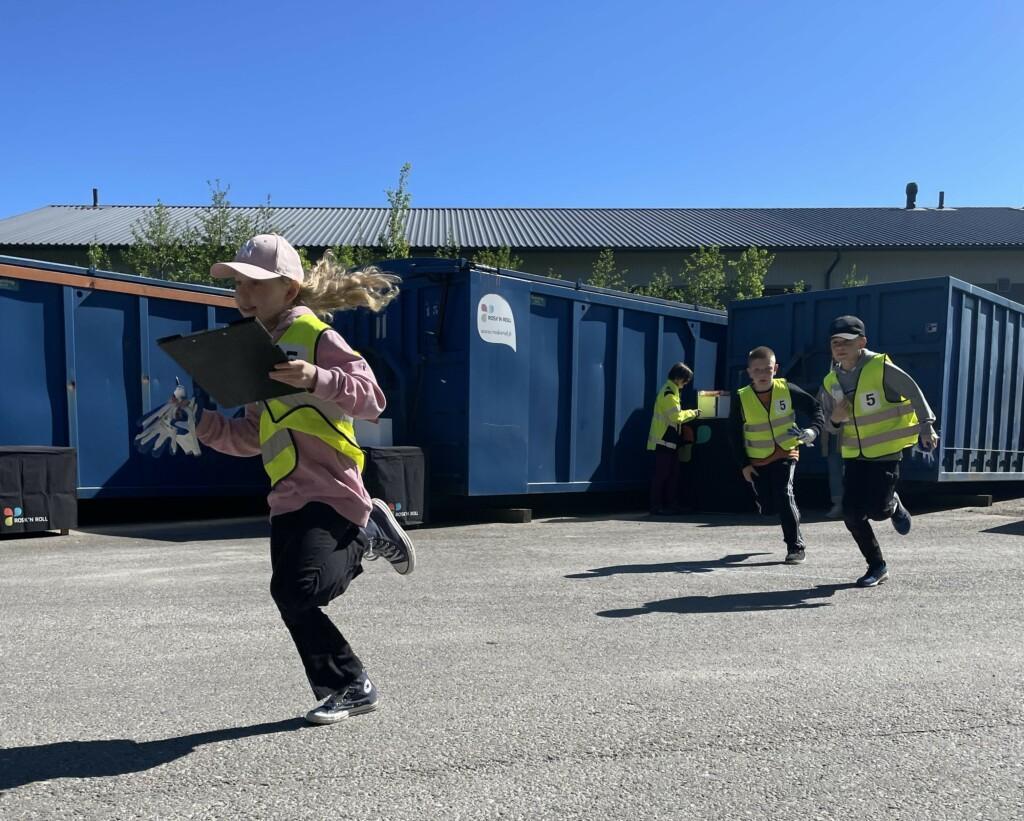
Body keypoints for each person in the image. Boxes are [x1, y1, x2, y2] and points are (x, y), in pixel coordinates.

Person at [136, 234, 416, 725]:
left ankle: (364, 537)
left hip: (332, 491)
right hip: (286, 496)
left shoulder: (316, 338)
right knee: (289, 596)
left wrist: (316, 378)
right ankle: (350, 684)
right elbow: (249, 436)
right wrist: (200, 422)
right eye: (237, 284)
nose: (243, 294)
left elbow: (372, 400)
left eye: (255, 284)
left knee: (300, 589)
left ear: (289, 289)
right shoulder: (253, 350)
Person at [817, 315, 938, 588]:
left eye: (846, 341)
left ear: (862, 342)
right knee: (850, 514)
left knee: (879, 510)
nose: (840, 347)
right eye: (835, 342)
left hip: (885, 454)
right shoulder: (829, 381)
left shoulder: (880, 367)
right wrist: (835, 418)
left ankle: (893, 504)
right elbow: (830, 426)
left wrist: (926, 426)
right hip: (855, 457)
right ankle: (877, 565)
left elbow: (914, 392)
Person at [729, 346, 824, 564]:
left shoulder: (787, 389)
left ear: (776, 369)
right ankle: (767, 504)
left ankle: (795, 547)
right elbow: (733, 433)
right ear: (749, 372)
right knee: (768, 507)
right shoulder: (741, 397)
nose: (763, 374)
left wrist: (813, 430)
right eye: (757, 370)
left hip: (786, 451)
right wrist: (744, 464)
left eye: (767, 369)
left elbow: (816, 408)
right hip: (758, 457)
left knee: (784, 494)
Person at [646, 362, 700, 515]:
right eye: (686, 380)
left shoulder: (672, 391)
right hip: (663, 441)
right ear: (678, 378)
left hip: (669, 441)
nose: (686, 383)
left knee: (672, 475)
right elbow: (676, 417)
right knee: (662, 475)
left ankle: (670, 504)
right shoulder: (669, 393)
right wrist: (694, 413)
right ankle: (656, 506)